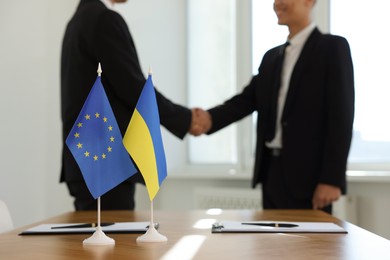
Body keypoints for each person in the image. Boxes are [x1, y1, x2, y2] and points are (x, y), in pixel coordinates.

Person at [196, 0, 354, 214]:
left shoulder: (332, 48)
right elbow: (245, 101)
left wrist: (332, 179)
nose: (276, 3)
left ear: (310, 1)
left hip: (311, 179)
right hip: (271, 174)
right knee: (272, 245)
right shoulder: (271, 57)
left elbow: (341, 116)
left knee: (310, 246)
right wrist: (206, 120)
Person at [61, 0, 206, 210]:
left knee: (96, 240)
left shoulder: (77, 21)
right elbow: (133, 87)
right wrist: (185, 119)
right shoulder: (103, 20)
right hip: (107, 164)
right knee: (115, 241)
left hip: (86, 160)